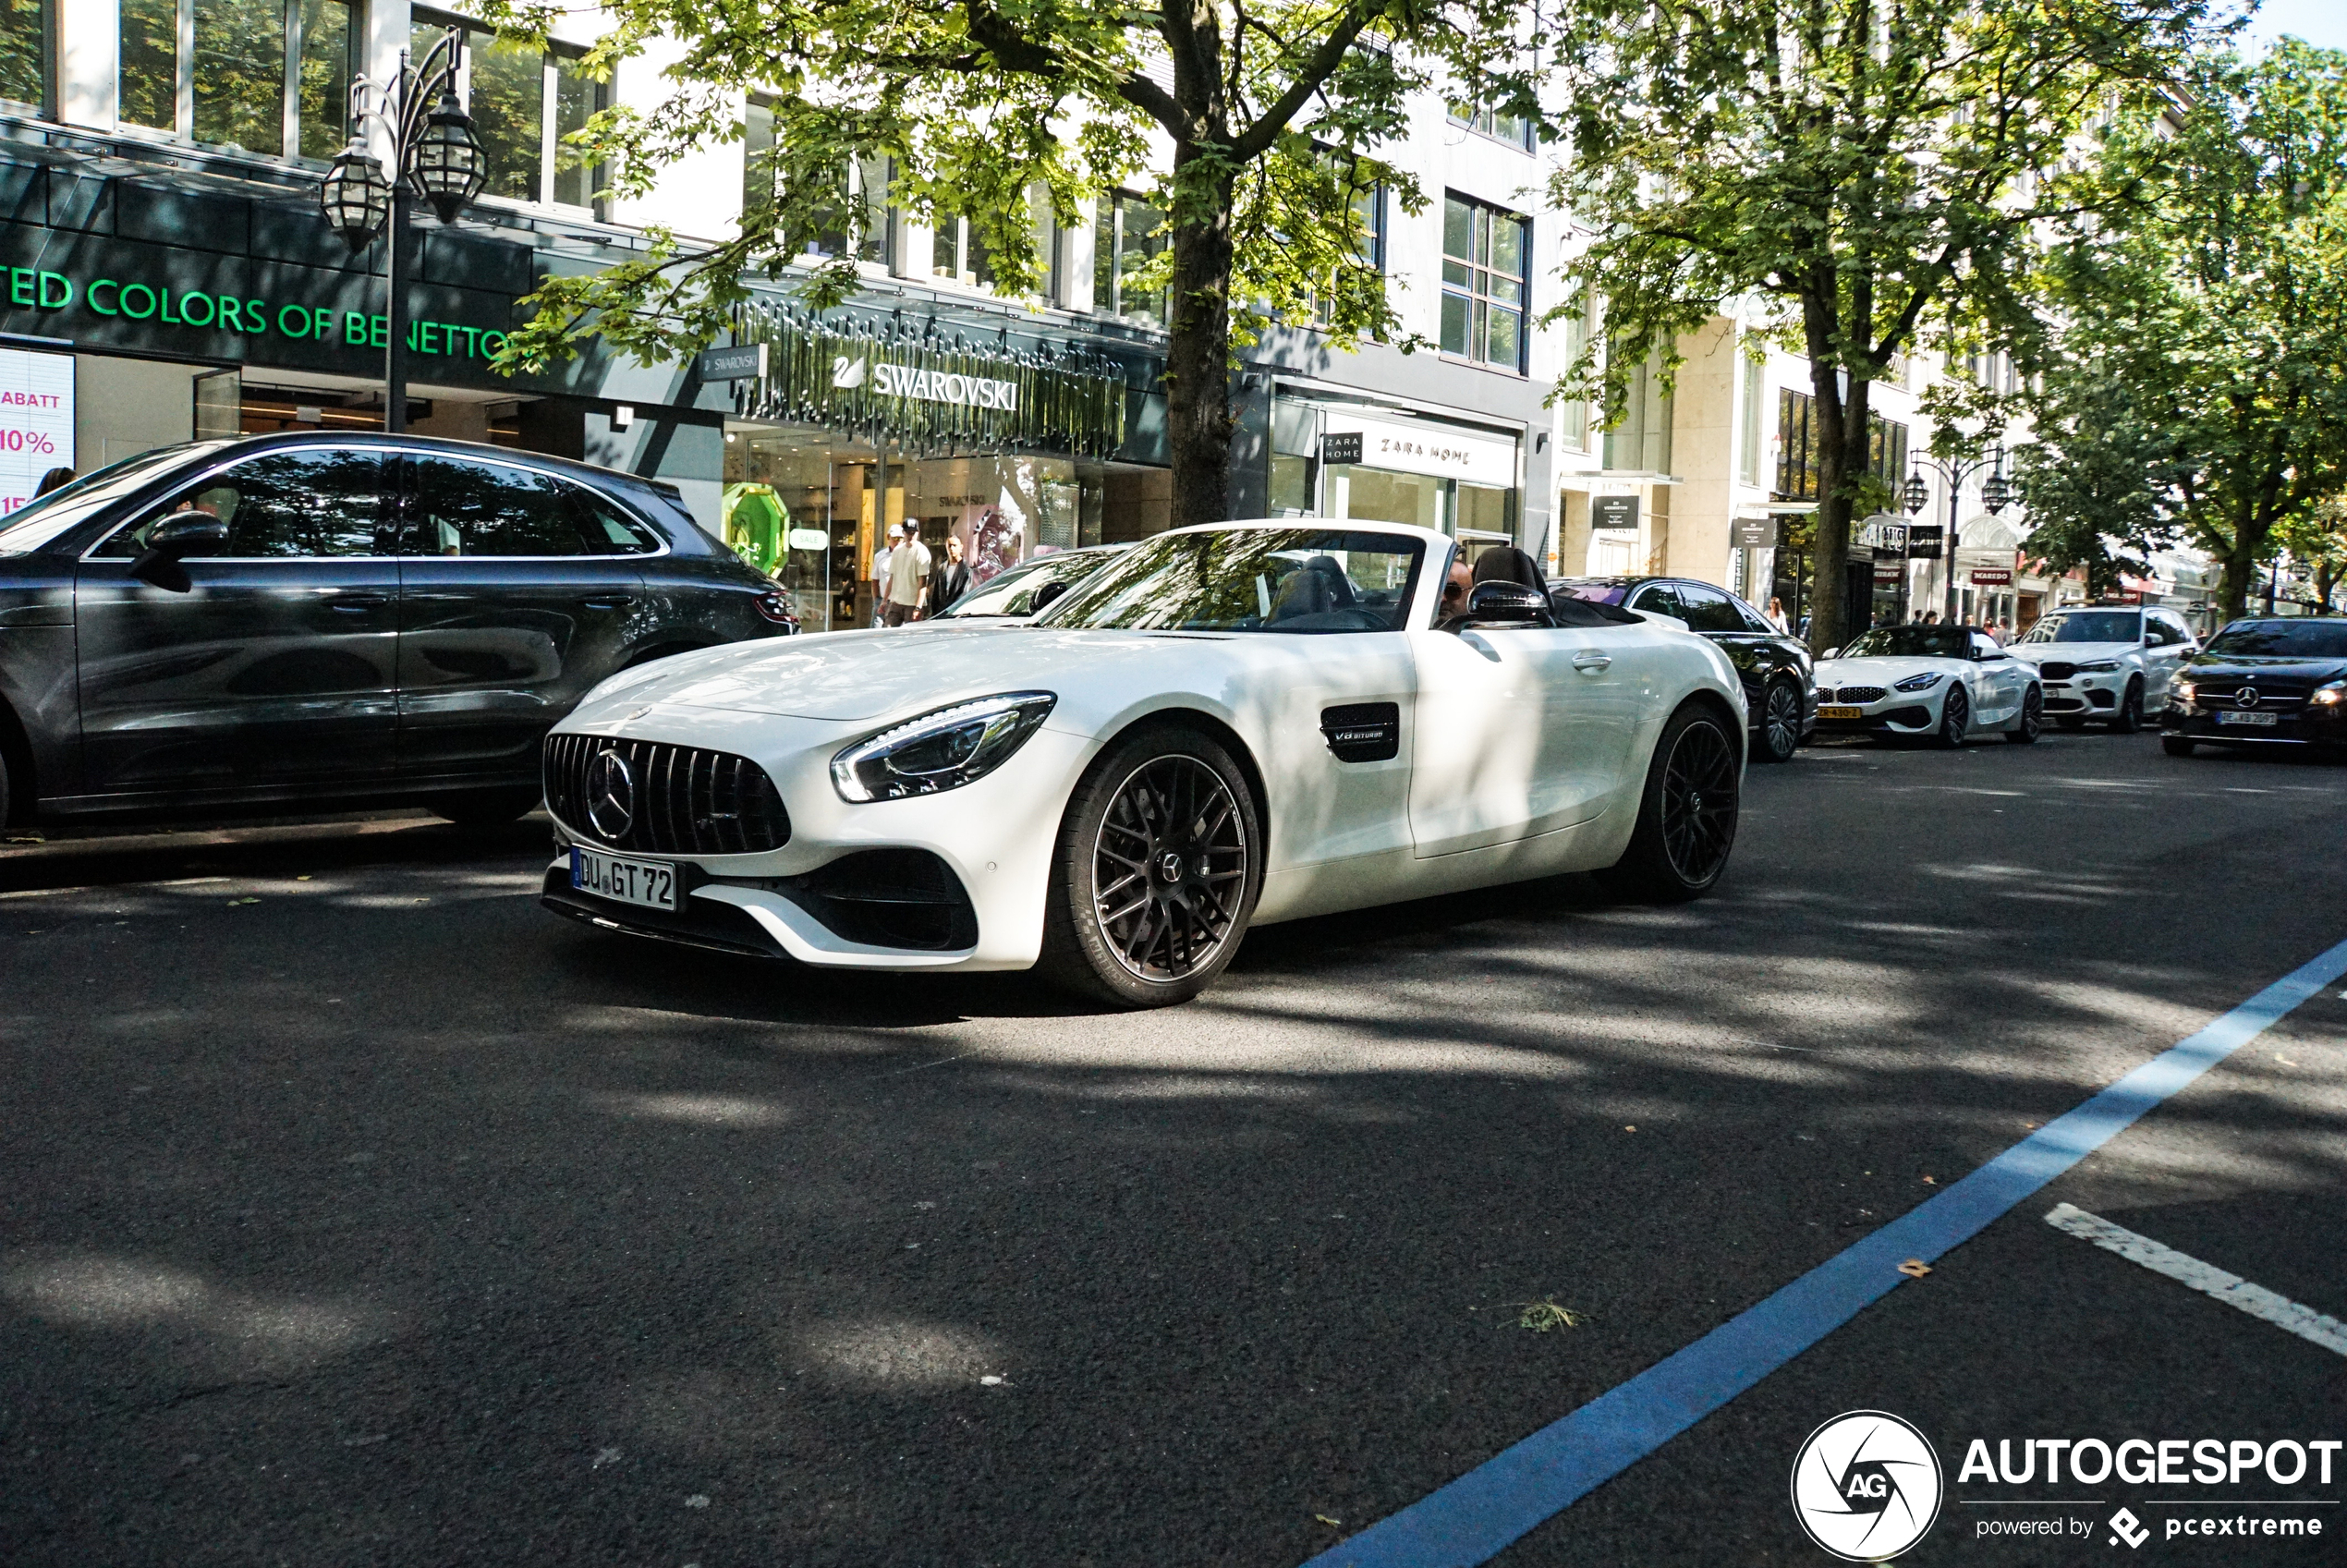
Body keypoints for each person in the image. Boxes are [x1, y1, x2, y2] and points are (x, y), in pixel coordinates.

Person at [883, 522, 932, 627]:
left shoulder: (921, 551)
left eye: (913, 532)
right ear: (903, 533)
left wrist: (918, 607)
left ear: (918, 533)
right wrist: (885, 600)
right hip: (896, 601)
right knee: (888, 632)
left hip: (912, 603)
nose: (910, 535)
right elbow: (892, 577)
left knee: (910, 635)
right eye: (907, 532)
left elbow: (922, 583)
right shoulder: (897, 551)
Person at [928, 533, 970, 616]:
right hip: (942, 612)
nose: (952, 548)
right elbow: (936, 594)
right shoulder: (942, 568)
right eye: (949, 546)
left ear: (961, 547)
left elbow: (965, 593)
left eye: (954, 545)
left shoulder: (966, 568)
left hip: (958, 613)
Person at [869, 525, 898, 628]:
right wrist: (876, 599)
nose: (898, 541)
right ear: (888, 537)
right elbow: (875, 580)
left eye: (900, 538)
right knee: (876, 629)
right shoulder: (880, 556)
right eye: (895, 538)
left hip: (899, 602)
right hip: (882, 600)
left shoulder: (906, 555)